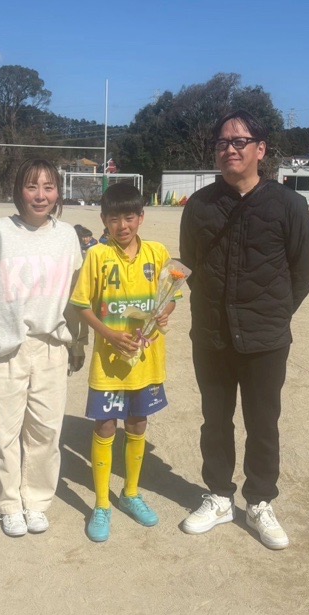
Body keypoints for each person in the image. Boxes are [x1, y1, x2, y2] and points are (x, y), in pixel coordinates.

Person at [178, 110, 309, 549]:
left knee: (263, 423)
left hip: (265, 338)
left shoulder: (288, 204)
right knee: (215, 421)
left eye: (240, 141)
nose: (230, 149)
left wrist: (276, 312)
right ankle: (220, 496)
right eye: (223, 142)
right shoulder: (200, 205)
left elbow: (305, 266)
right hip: (212, 336)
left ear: (261, 149)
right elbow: (190, 263)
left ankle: (259, 501)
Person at [0, 158, 84, 538]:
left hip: (50, 347)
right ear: (19, 191)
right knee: (2, 433)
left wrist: (78, 342)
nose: (40, 196)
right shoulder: (0, 231)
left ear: (58, 193)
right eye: (32, 187)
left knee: (45, 431)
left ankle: (36, 500)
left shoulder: (67, 236)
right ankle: (9, 504)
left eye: (48, 187)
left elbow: (78, 295)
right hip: (4, 349)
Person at [69, 183, 176, 543]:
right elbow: (81, 304)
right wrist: (109, 335)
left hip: (145, 361)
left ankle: (130, 493)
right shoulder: (97, 255)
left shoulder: (158, 253)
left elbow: (171, 297)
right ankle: (102, 504)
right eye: (114, 219)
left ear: (141, 217)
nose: (123, 225)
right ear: (104, 220)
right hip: (109, 363)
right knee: (104, 427)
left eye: (129, 217)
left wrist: (165, 313)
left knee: (137, 423)